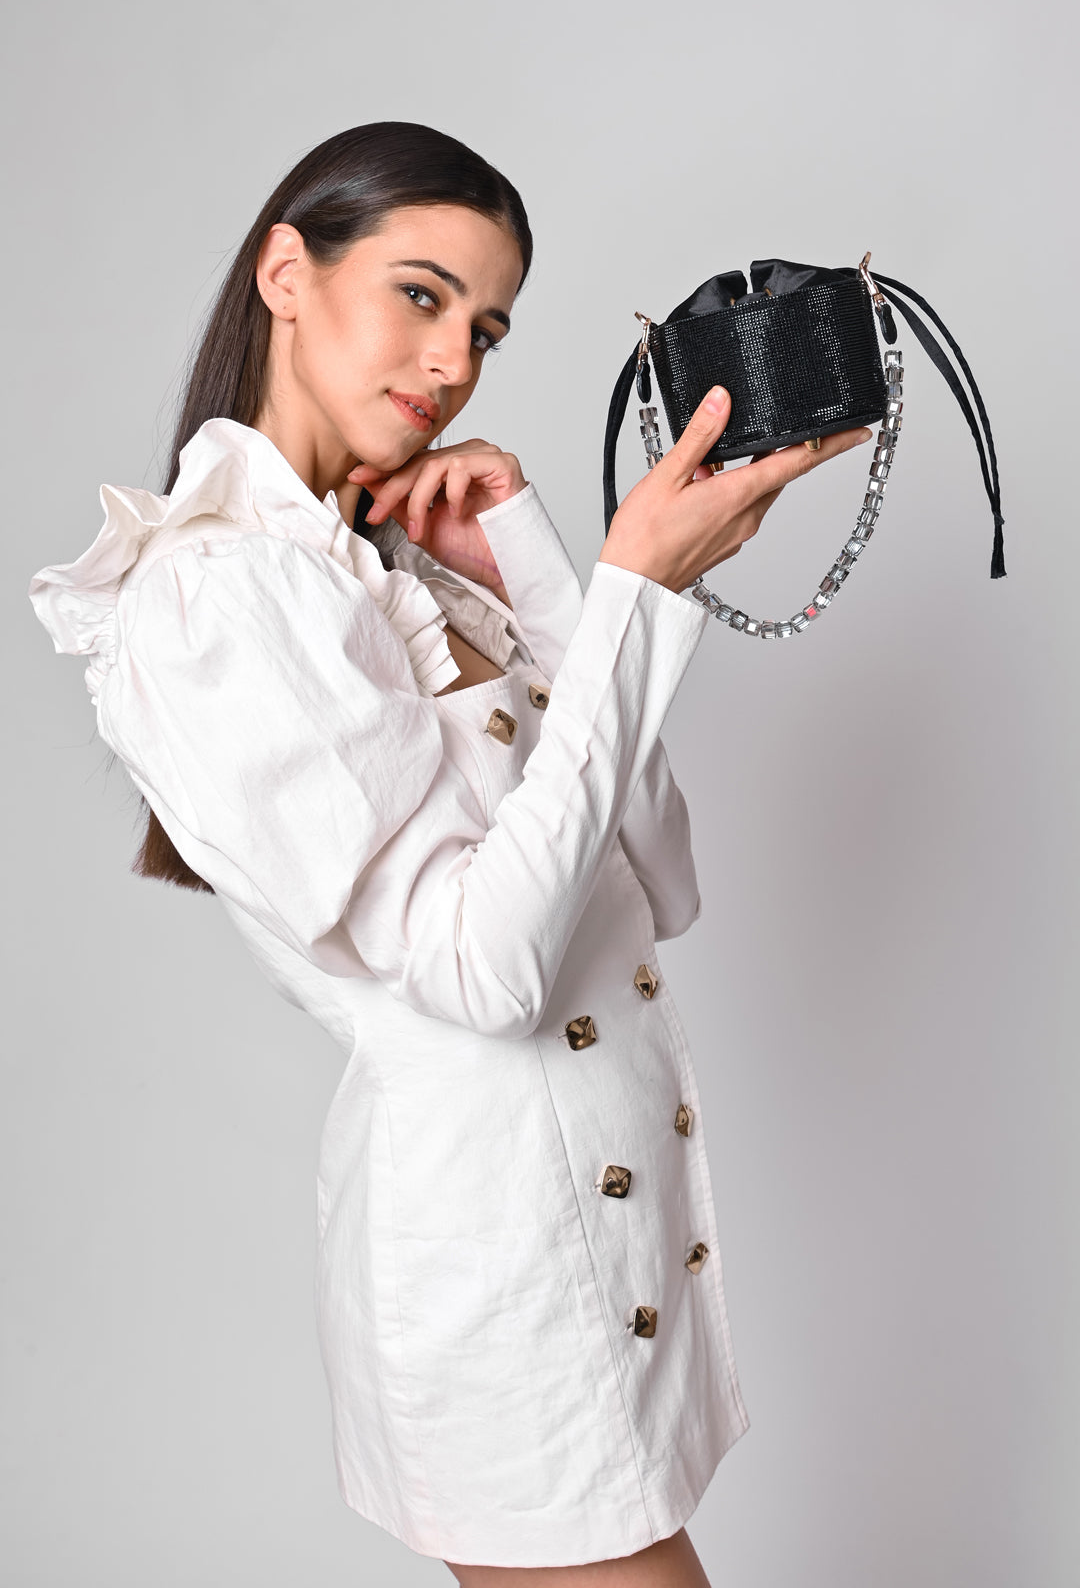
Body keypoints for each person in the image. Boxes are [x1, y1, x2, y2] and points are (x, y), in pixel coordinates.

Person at [29, 121, 872, 1586]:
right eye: (420, 296)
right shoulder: (213, 595)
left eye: (483, 329)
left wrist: (546, 570)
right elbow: (486, 973)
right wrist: (636, 590)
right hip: (503, 1272)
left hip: (601, 1236)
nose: (452, 363)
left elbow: (663, 879)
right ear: (286, 274)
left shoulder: (394, 564)